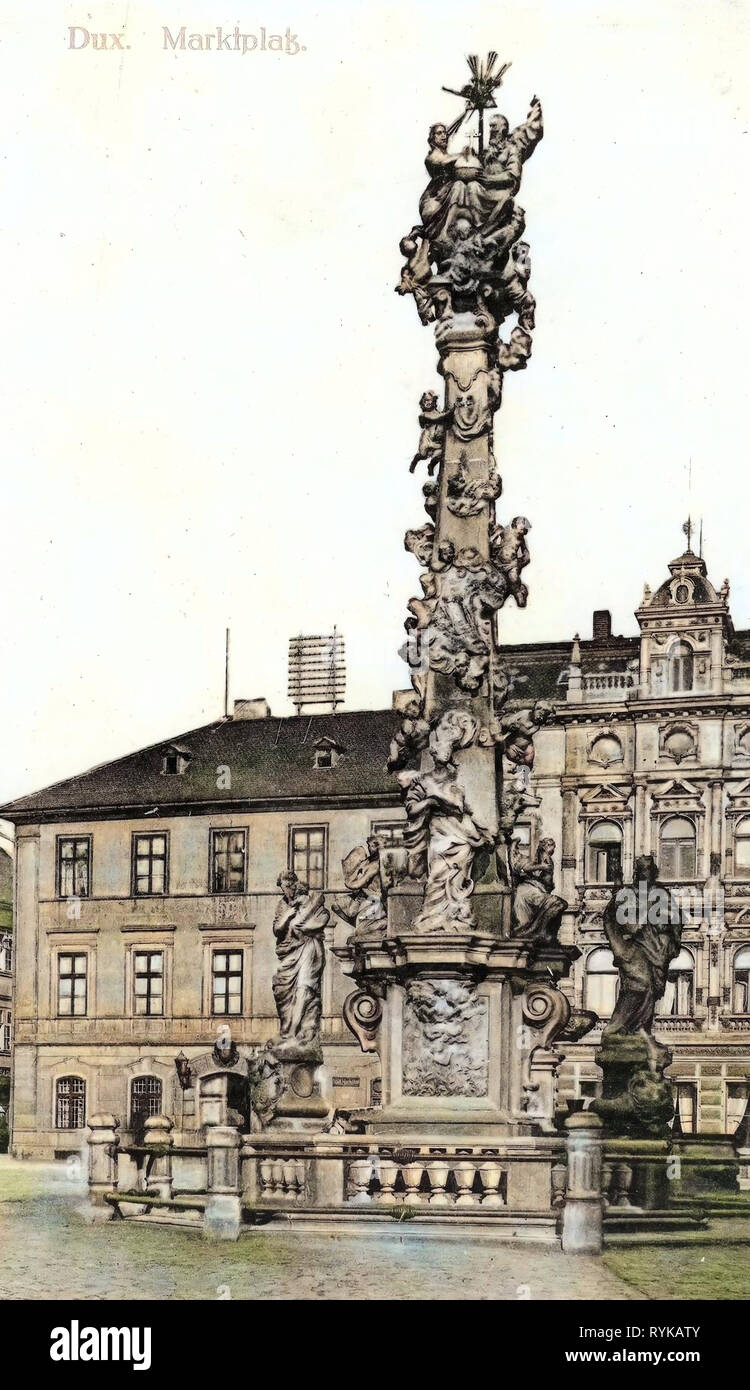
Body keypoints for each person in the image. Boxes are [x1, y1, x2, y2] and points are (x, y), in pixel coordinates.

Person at [603, 855, 684, 1036]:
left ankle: (641, 1030)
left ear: (653, 872)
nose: (644, 874)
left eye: (647, 870)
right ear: (636, 873)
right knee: (639, 984)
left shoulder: (662, 893)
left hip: (657, 947)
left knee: (652, 990)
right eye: (641, 871)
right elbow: (611, 916)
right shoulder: (627, 893)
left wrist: (669, 939)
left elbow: (676, 920)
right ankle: (617, 1028)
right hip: (634, 947)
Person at [271, 871, 329, 1053]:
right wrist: (288, 915)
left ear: (295, 887)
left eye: (288, 887)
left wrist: (304, 924)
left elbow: (322, 918)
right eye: (283, 888)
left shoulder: (313, 905)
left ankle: (292, 1032)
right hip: (289, 954)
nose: (285, 891)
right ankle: (287, 1029)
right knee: (281, 989)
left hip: (308, 951)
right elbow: (277, 929)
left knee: (304, 990)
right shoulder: (282, 905)